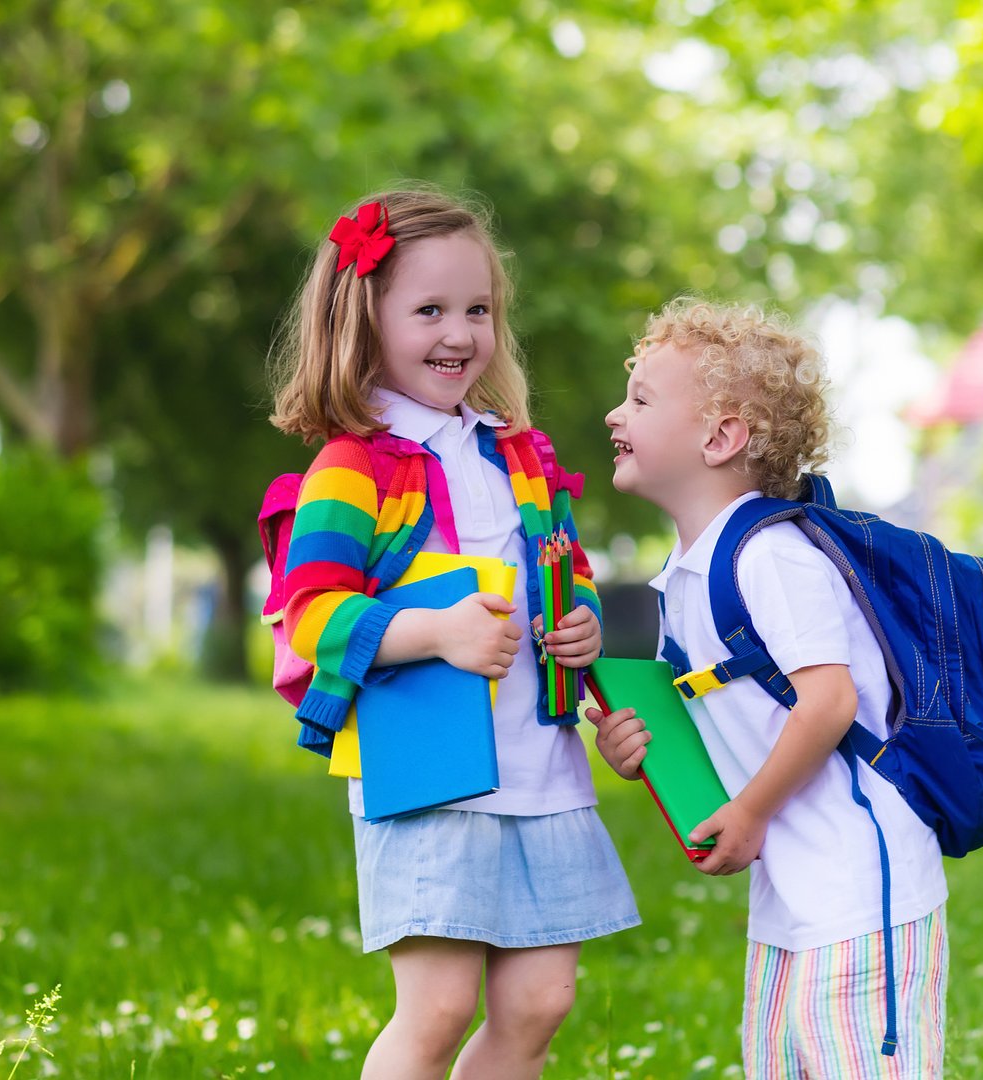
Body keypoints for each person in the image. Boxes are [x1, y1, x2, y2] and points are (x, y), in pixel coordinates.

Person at [270, 186, 639, 1080]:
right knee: (436, 1010)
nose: (458, 333)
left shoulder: (518, 452)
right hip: (427, 767)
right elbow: (311, 614)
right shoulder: (351, 466)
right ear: (363, 319)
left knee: (540, 1002)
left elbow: (564, 574)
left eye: (477, 309)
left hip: (540, 765)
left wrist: (581, 631)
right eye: (428, 310)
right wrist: (433, 632)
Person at [591, 299, 949, 1078]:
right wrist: (637, 748)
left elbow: (830, 701)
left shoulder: (771, 557)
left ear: (720, 438)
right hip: (791, 902)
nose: (616, 412)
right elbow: (726, 725)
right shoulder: (685, 580)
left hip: (859, 899)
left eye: (642, 398)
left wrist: (750, 813)